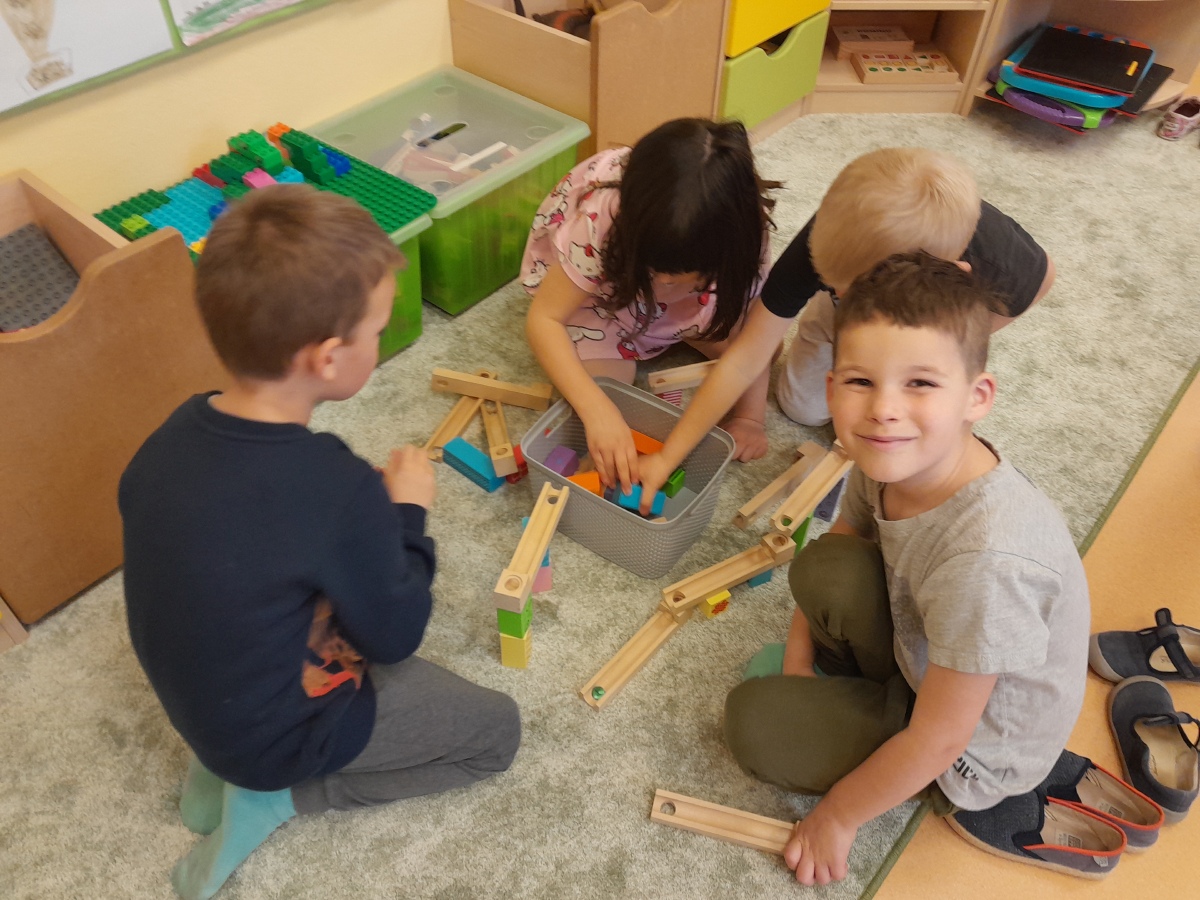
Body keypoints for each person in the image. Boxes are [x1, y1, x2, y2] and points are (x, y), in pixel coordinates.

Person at [120, 185, 520, 900]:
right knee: (497, 735)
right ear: (329, 358)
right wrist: (406, 513)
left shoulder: (169, 434)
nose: (381, 339)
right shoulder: (336, 487)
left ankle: (215, 774)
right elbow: (396, 634)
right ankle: (281, 798)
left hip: (199, 707)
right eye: (377, 329)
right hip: (274, 738)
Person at [722, 253, 1089, 884]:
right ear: (832, 387)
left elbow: (941, 739)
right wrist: (798, 665)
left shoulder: (987, 562)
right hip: (927, 656)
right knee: (826, 565)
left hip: (969, 750)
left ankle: (884, 726)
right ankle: (866, 692)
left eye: (920, 383)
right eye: (860, 381)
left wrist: (838, 816)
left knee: (753, 724)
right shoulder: (886, 456)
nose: (883, 409)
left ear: (977, 398)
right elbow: (837, 549)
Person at [633, 147, 1055, 514]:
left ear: (948, 272)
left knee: (910, 414)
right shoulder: (833, 240)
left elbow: (1044, 277)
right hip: (843, 317)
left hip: (931, 314)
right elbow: (745, 358)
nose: (837, 291)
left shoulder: (999, 264)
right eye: (830, 282)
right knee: (801, 407)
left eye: (850, 289)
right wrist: (669, 456)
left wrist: (948, 346)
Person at [522, 117, 778, 493]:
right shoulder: (603, 219)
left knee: (763, 344)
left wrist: (750, 418)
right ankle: (657, 324)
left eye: (681, 276)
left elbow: (755, 339)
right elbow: (545, 318)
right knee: (605, 395)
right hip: (604, 301)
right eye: (656, 272)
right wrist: (597, 410)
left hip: (687, 304)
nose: (664, 283)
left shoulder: (744, 239)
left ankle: (679, 319)